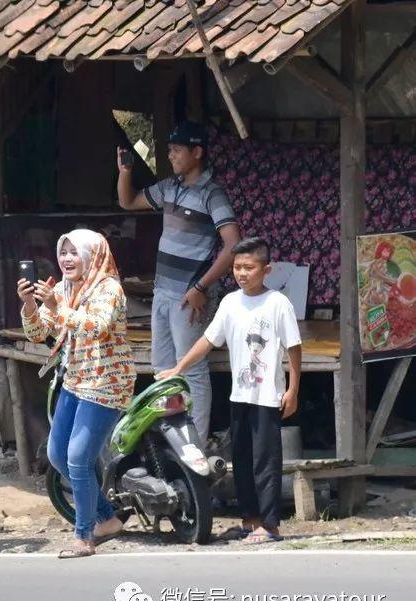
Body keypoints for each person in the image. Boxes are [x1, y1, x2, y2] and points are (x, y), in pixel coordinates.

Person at [156, 238, 301, 544]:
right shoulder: (230, 303)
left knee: (266, 463)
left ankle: (270, 526)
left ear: (267, 269)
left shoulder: (277, 303)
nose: (242, 273)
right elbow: (208, 341)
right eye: (237, 267)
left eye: (249, 267)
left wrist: (292, 390)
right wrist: (179, 367)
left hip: (267, 398)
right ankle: (249, 521)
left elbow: (294, 348)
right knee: (243, 461)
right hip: (239, 396)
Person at [117, 121, 241, 441]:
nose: (171, 156)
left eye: (176, 150)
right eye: (170, 150)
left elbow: (233, 245)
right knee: (163, 369)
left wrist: (200, 287)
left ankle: (195, 446)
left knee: (192, 372)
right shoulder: (170, 187)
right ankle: (171, 440)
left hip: (189, 296)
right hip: (162, 292)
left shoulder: (212, 193)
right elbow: (127, 202)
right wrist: (125, 171)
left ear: (196, 152)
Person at [18, 229, 137, 559]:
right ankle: (108, 519)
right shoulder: (62, 288)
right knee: (57, 457)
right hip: (74, 380)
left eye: (75, 252)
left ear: (93, 255)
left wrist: (57, 306)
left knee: (79, 459)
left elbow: (95, 326)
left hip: (106, 384)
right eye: (64, 252)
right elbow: (39, 332)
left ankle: (84, 537)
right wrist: (30, 303)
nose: (67, 259)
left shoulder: (109, 288)